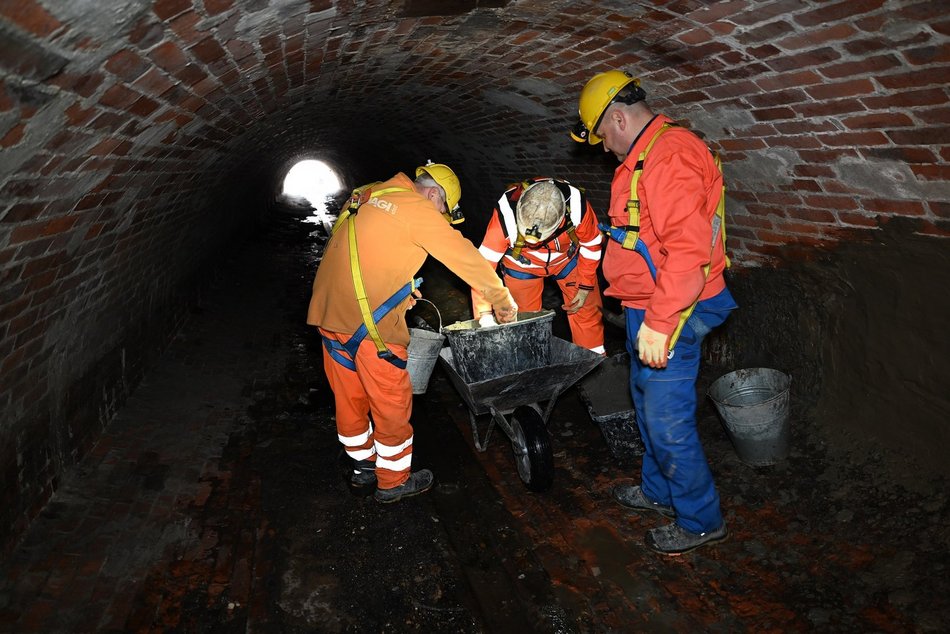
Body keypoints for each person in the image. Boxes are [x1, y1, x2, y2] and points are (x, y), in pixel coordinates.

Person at [571, 70, 737, 555]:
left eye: (603, 135)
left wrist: (661, 325)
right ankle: (659, 491)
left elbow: (688, 252)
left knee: (666, 419)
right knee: (645, 402)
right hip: (648, 304)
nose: (604, 147)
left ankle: (701, 521)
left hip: (676, 308)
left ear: (619, 119)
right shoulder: (645, 156)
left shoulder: (671, 156)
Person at [307, 162, 518, 503]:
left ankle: (363, 467)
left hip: (329, 317)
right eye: (443, 210)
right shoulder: (416, 207)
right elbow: (464, 257)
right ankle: (393, 481)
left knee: (349, 399)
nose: (441, 217)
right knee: (391, 403)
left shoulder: (367, 193)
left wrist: (400, 288)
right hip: (371, 329)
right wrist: (501, 298)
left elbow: (363, 252)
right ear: (434, 195)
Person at [471, 177, 605, 355]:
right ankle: (531, 361)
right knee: (524, 320)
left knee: (585, 309)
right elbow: (482, 270)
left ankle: (592, 362)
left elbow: (592, 244)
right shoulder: (505, 215)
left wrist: (585, 286)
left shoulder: (576, 207)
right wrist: (484, 315)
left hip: (567, 259)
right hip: (522, 265)